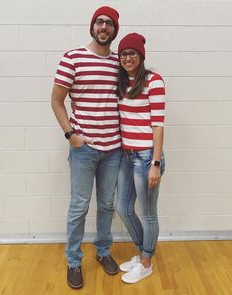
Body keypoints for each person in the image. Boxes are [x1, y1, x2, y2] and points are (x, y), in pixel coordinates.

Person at [51, 6, 121, 289]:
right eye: (99, 22)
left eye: (109, 23)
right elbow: (56, 100)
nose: (104, 27)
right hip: (84, 149)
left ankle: (103, 251)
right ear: (92, 26)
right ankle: (73, 260)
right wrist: (71, 135)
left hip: (113, 149)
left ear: (115, 30)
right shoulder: (73, 58)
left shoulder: (120, 62)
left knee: (106, 205)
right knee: (79, 206)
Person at [116, 33, 166, 284]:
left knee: (147, 215)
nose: (127, 58)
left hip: (147, 157)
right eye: (123, 53)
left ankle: (146, 262)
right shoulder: (121, 82)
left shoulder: (153, 81)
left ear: (141, 56)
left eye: (132, 53)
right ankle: (142, 252)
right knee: (123, 208)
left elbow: (158, 125)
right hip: (127, 155)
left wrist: (155, 164)